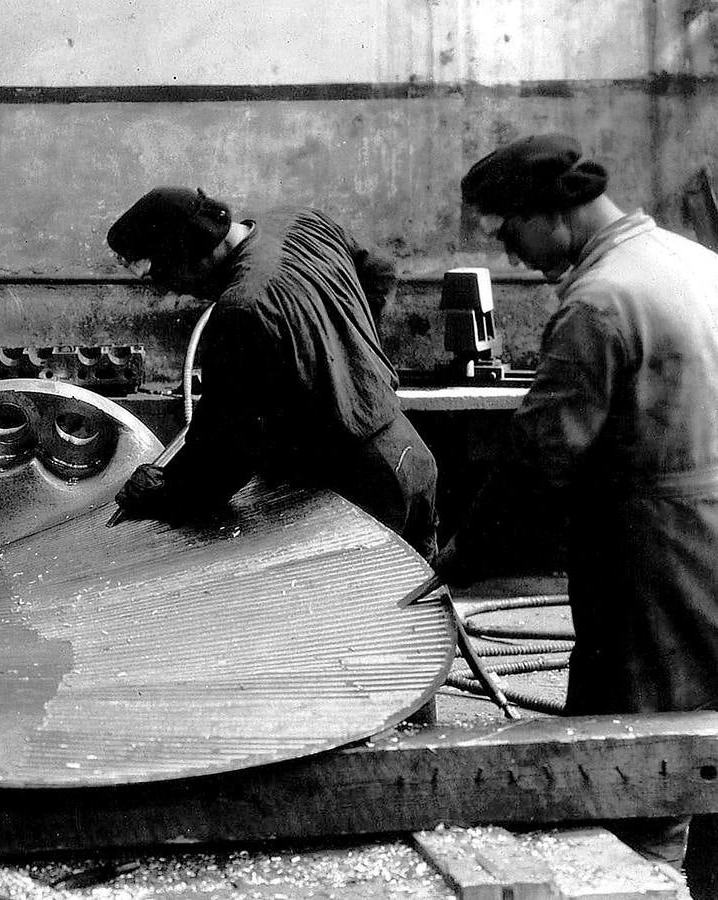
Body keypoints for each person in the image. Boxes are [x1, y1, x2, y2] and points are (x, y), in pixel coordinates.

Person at [432, 133, 718, 872]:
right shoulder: (696, 263)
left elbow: (539, 458)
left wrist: (465, 555)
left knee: (633, 765)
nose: (510, 252)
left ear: (552, 214)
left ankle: (641, 880)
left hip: (653, 556)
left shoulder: (600, 301)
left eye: (510, 230)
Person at [107, 186, 438, 558]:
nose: (176, 292)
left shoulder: (241, 309)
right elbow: (379, 272)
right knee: (422, 609)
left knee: (355, 610)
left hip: (354, 489)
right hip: (408, 455)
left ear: (191, 254)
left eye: (169, 278)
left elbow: (226, 448)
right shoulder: (301, 221)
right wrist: (352, 353)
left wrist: (164, 493)